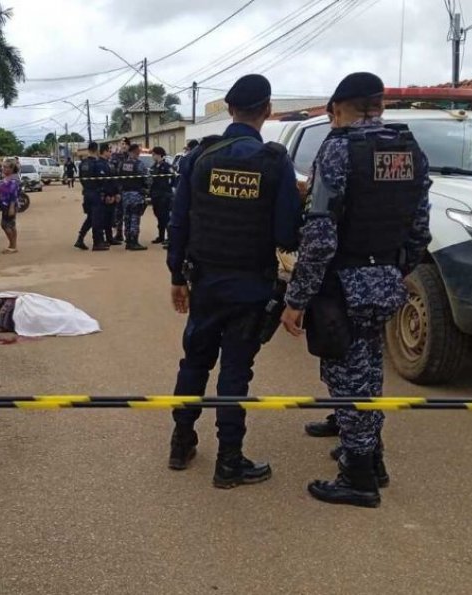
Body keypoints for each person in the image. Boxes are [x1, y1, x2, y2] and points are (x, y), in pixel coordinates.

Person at [280, 72, 432, 508]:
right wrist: (398, 267)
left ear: (340, 108)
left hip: (343, 283)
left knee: (350, 376)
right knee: (366, 369)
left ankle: (358, 477)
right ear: (379, 105)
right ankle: (369, 455)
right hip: (385, 278)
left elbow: (322, 235)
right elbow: (420, 225)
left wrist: (297, 298)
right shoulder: (409, 149)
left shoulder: (338, 150)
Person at [166, 74, 302, 489]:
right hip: (250, 285)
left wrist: (176, 276)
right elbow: (286, 236)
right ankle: (229, 461)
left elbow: (178, 222)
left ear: (229, 109)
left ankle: (181, 442)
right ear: (267, 110)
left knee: (195, 361)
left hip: (205, 281)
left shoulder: (200, 157)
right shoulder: (274, 162)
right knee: (235, 371)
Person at [0, 291, 101, 337]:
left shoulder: (64, 307)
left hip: (13, 302)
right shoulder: (63, 318)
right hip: (10, 314)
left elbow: (44, 300)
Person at [75, 142, 109, 251]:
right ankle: (97, 243)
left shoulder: (83, 163)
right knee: (97, 219)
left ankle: (80, 239)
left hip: (87, 193)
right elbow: (102, 180)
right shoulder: (97, 164)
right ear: (96, 150)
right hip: (96, 194)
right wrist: (105, 192)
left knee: (90, 218)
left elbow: (81, 178)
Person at [118, 143, 149, 251]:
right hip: (136, 194)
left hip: (125, 194)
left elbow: (119, 178)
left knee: (127, 217)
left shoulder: (122, 164)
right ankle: (134, 241)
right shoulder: (139, 164)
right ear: (136, 152)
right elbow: (148, 179)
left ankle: (128, 240)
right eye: (138, 151)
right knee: (135, 217)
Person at [149, 146, 174, 246]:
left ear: (159, 154)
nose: (152, 156)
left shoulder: (167, 166)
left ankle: (169, 238)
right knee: (158, 216)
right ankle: (161, 236)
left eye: (154, 154)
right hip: (155, 195)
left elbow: (174, 178)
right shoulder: (154, 166)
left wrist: (169, 189)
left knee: (165, 217)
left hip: (164, 195)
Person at [99, 143, 121, 246]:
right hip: (105, 196)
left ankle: (109, 238)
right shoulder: (99, 164)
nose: (110, 153)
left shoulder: (109, 164)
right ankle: (102, 239)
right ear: (104, 152)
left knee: (110, 218)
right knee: (103, 218)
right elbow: (102, 183)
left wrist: (116, 193)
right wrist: (107, 195)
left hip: (112, 194)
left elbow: (113, 180)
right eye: (109, 151)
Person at [0, 158, 20, 254]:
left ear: (11, 169)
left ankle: (13, 245)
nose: (4, 169)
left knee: (5, 225)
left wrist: (11, 207)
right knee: (11, 225)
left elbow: (13, 195)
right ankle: (12, 245)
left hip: (9, 205)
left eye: (6, 167)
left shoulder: (13, 181)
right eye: (3, 167)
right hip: (4, 205)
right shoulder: (6, 179)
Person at [110, 137, 130, 243]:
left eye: (125, 144)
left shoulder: (131, 157)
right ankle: (118, 233)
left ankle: (128, 234)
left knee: (128, 213)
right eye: (122, 143)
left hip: (128, 188)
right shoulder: (115, 157)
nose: (123, 145)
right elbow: (112, 171)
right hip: (118, 188)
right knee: (118, 213)